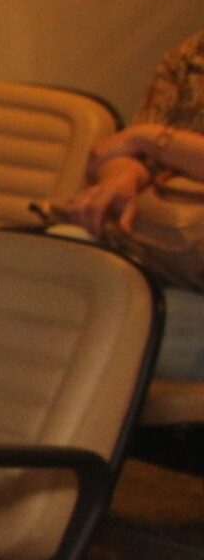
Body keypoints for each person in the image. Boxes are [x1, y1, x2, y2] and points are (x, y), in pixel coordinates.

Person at [69, 26, 204, 378]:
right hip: (169, 252)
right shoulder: (191, 56)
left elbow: (143, 137)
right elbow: (124, 146)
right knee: (53, 271)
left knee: (86, 333)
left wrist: (157, 142)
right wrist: (122, 175)